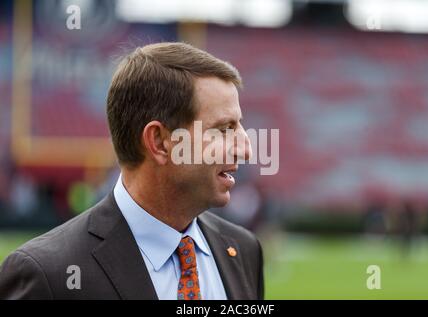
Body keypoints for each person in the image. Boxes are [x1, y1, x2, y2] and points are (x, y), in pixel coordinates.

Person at [0, 42, 264, 300]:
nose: (246, 149)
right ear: (159, 142)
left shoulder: (243, 250)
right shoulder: (48, 275)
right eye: (223, 129)